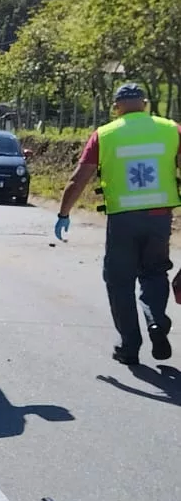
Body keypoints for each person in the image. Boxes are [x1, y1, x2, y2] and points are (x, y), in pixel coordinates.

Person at [55, 82, 181, 367]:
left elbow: (79, 178)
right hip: (160, 218)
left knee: (119, 281)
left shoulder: (105, 135)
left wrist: (64, 212)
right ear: (145, 104)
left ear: (117, 106)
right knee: (155, 273)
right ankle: (156, 321)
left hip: (123, 220)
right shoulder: (172, 129)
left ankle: (129, 346)